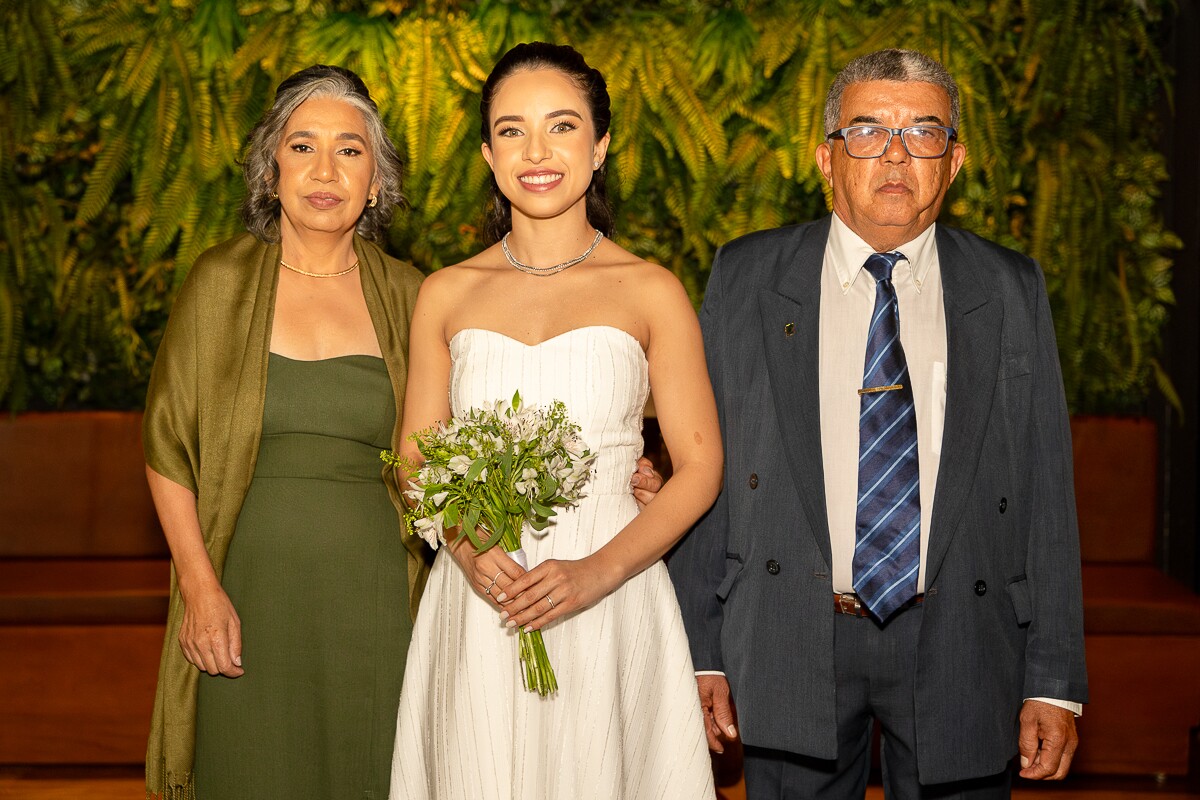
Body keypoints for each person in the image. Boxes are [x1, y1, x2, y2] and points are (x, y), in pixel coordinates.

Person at [141, 63, 663, 800]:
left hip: (384, 600)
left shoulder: (414, 294)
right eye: (302, 147)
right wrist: (200, 588)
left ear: (377, 180)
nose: (325, 170)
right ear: (270, 170)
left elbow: (466, 440)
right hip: (246, 592)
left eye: (350, 150)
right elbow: (168, 446)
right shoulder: (217, 284)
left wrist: (626, 475)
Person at [668, 48, 1088, 799]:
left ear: (953, 162)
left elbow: (1047, 487)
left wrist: (1055, 680)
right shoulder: (748, 276)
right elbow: (710, 469)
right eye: (867, 131)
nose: (895, 154)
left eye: (923, 133)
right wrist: (701, 651)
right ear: (826, 158)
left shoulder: (1008, 286)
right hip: (790, 627)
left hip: (961, 631)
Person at [389, 42, 721, 799]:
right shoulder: (446, 292)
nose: (536, 152)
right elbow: (413, 459)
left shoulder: (651, 290)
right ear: (487, 151)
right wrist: (470, 549)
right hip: (483, 597)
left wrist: (597, 572)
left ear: (600, 147)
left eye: (562, 126)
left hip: (613, 585)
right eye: (511, 130)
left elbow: (700, 469)